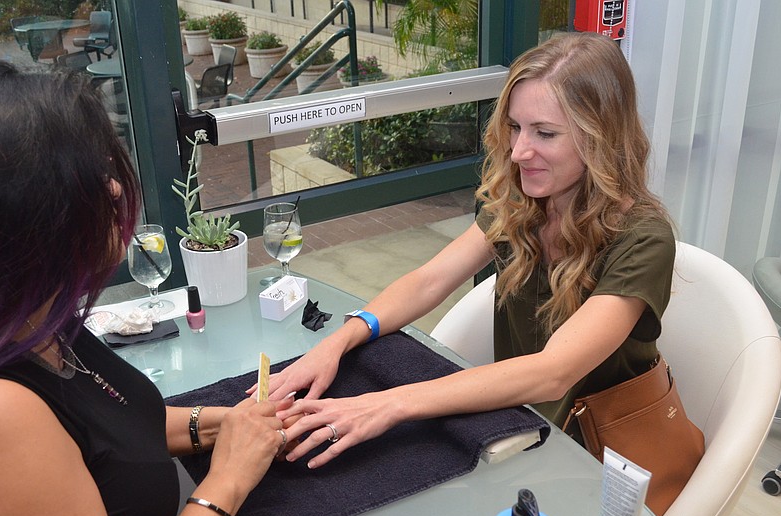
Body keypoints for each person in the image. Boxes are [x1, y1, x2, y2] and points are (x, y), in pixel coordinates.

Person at [267, 32, 677, 471]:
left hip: (598, 454)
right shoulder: (523, 204)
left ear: (601, 137)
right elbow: (429, 281)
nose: (519, 152)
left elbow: (553, 372)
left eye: (545, 133)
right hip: (523, 430)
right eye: (516, 127)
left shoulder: (643, 239)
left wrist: (387, 405)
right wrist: (340, 340)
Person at [0, 61, 288, 516]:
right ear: (21, 215)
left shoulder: (33, 319)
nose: (117, 190)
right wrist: (228, 480)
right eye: (94, 177)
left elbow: (109, 427)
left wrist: (224, 425)